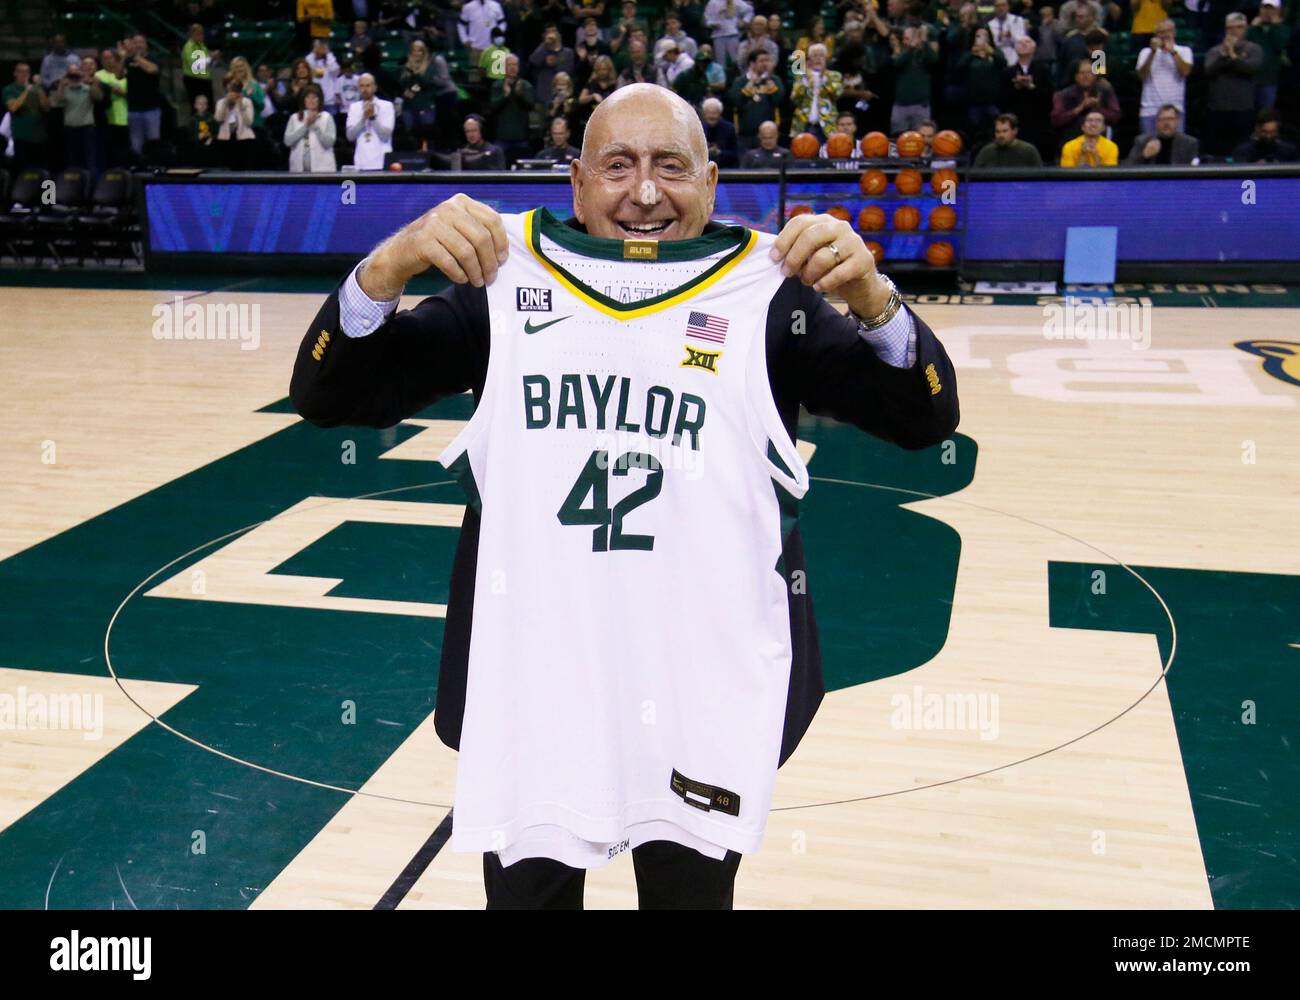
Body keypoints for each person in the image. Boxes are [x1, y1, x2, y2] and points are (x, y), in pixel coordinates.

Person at [289, 81, 957, 910]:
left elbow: (925, 417)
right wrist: (389, 265)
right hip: (535, 684)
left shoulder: (768, 299)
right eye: (618, 165)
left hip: (697, 689)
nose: (645, 191)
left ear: (712, 184)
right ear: (576, 182)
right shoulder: (502, 287)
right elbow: (327, 395)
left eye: (671, 166)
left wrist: (874, 302)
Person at [1204, 12, 1264, 156]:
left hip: (1243, 108)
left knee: (1242, 149)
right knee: (1218, 151)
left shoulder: (1254, 49)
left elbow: (1250, 68)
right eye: (1230, 28)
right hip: (1219, 109)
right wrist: (1224, 55)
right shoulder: (1215, 51)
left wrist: (1232, 55)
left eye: (1238, 27)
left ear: (1245, 28)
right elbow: (1209, 70)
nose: (1234, 31)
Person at [1136, 20, 1192, 136]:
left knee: (1176, 149)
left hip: (1175, 110)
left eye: (1168, 31)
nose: (1164, 35)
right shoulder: (1146, 52)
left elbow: (1185, 72)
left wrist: (1172, 52)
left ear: (1174, 32)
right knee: (1149, 148)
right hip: (1150, 110)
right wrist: (1152, 52)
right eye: (1160, 32)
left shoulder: (1184, 51)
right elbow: (1141, 76)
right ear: (1155, 35)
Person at [51, 56, 102, 175]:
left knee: (90, 162)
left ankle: (92, 187)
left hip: (87, 128)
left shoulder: (87, 88)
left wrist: (88, 80)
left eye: (76, 74)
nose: (74, 77)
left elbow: (98, 97)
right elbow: (56, 102)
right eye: (71, 74)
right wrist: (62, 85)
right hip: (70, 129)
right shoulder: (65, 89)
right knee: (73, 161)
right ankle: (73, 187)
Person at [728, 48, 783, 150]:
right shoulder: (740, 81)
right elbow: (736, 101)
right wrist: (751, 83)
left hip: (768, 135)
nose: (765, 64)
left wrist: (769, 79)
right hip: (746, 134)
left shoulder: (775, 80)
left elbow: (779, 100)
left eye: (767, 60)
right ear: (752, 63)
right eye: (762, 61)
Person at [489, 53, 535, 166]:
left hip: (521, 137)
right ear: (504, 67)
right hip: (502, 137)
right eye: (509, 65)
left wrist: (520, 95)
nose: (512, 68)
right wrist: (505, 95)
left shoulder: (526, 86)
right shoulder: (497, 86)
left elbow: (531, 106)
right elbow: (493, 107)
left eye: (515, 65)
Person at [3, 63, 49, 171]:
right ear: (15, 73)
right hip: (21, 136)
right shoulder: (9, 89)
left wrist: (39, 88)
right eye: (20, 71)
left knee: (40, 170)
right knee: (23, 171)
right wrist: (26, 91)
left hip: (39, 136)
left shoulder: (36, 89)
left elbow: (46, 107)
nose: (24, 74)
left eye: (26, 72)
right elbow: (13, 107)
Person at [122, 34, 162, 156]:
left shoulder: (153, 58)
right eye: (135, 42)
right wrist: (124, 57)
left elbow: (153, 70)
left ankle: (154, 168)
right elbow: (118, 74)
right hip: (133, 109)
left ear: (145, 45)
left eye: (141, 42)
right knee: (136, 145)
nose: (138, 45)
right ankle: (139, 170)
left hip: (151, 109)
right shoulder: (128, 60)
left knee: (153, 143)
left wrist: (136, 58)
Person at [345, 73, 394, 170]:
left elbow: (385, 136)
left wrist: (372, 118)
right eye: (361, 86)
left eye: (368, 85)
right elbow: (350, 136)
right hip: (361, 163)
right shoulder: (354, 107)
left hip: (382, 161)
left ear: (375, 87)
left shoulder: (386, 106)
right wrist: (363, 119)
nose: (365, 89)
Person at [1247, 0, 1290, 112]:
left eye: (1271, 9)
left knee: (1266, 114)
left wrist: (1276, 26)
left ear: (1278, 11)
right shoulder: (1252, 28)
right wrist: (1251, 27)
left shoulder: (1284, 29)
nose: (1267, 12)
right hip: (1249, 80)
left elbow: (1281, 46)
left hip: (1269, 81)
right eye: (1265, 8)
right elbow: (1243, 46)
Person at [286, 84, 337, 172]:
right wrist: (305, 126)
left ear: (320, 100)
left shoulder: (327, 117)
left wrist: (315, 126)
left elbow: (329, 143)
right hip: (298, 170)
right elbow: (288, 141)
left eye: (314, 97)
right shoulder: (294, 117)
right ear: (303, 100)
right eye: (308, 97)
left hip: (323, 170)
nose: (311, 100)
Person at [1125, 103, 1199, 164]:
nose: (1166, 123)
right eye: (1162, 119)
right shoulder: (1142, 141)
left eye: (1170, 119)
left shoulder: (1189, 143)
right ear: (1156, 123)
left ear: (1177, 122)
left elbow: (1194, 169)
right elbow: (1128, 167)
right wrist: (1144, 155)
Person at [95, 48, 130, 169]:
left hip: (126, 118)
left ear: (116, 59)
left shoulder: (125, 74)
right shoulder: (98, 75)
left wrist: (124, 93)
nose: (108, 61)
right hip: (108, 120)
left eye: (111, 58)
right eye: (105, 58)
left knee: (126, 151)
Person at [214, 76, 256, 169]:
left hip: (244, 140)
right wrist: (226, 104)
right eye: (230, 86)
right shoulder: (221, 102)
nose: (232, 90)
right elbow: (218, 119)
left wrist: (240, 105)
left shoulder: (246, 102)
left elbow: (249, 122)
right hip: (226, 140)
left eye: (234, 87)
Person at [974, 112, 1044, 165]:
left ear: (1015, 131)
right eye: (997, 131)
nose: (1000, 135)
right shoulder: (986, 152)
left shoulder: (1029, 151)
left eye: (1005, 131)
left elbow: (1041, 179)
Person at [1231, 109, 1299, 162]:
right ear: (1257, 129)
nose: (1268, 136)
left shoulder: (1289, 151)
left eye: (1272, 132)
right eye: (1264, 132)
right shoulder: (1243, 151)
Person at [703, 0, 754, 71]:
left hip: (733, 34)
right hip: (718, 35)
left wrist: (744, 21)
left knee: (736, 60)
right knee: (720, 61)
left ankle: (736, 76)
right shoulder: (713, 2)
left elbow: (749, 11)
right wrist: (711, 24)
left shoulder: (737, 2)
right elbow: (707, 17)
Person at [181, 23, 216, 110]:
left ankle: (208, 123)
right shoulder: (188, 47)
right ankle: (199, 124)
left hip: (205, 80)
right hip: (194, 81)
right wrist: (210, 57)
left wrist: (214, 59)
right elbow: (195, 66)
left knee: (209, 107)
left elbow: (208, 63)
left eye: (202, 34)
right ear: (192, 34)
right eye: (198, 34)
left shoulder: (202, 46)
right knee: (198, 107)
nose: (201, 36)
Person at [699, 95, 738, 166]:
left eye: (714, 113)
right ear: (704, 114)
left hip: (725, 167)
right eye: (709, 113)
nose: (711, 116)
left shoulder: (729, 128)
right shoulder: (698, 128)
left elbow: (735, 154)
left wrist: (720, 152)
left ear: (720, 114)